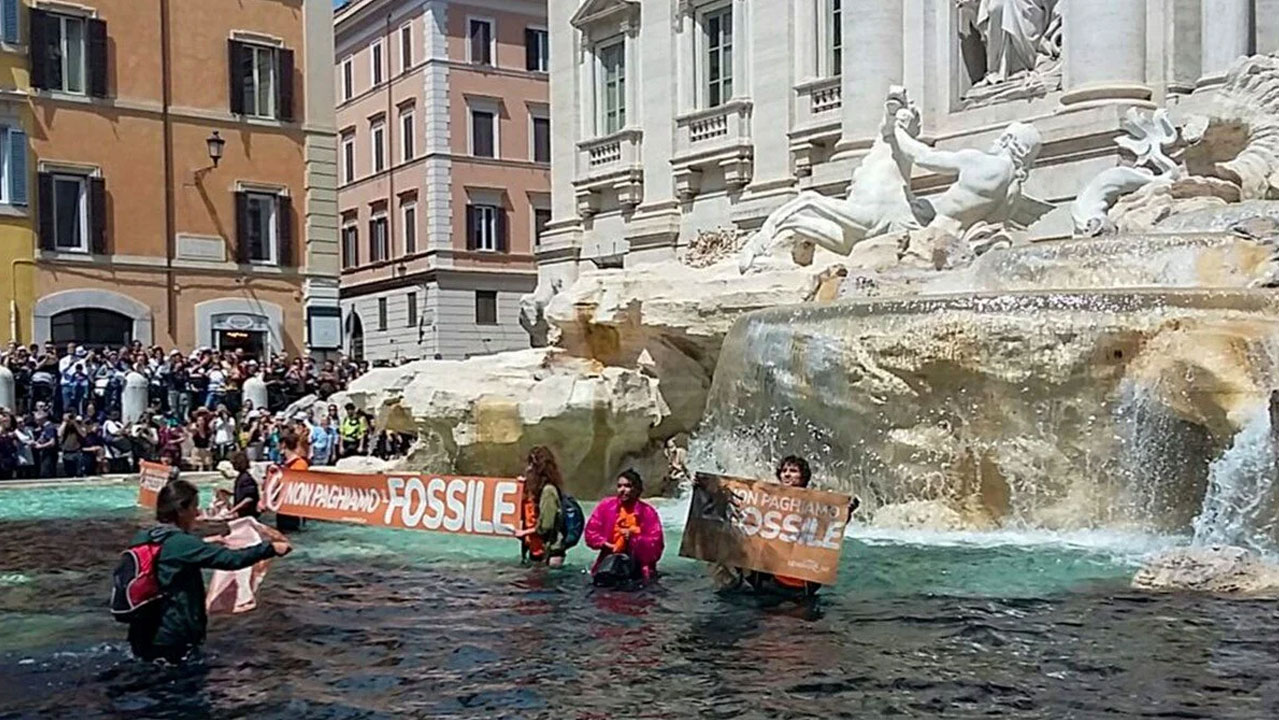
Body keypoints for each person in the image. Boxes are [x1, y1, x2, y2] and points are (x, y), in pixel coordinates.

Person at [125, 479, 291, 663]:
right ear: (180, 510)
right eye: (194, 507)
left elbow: (168, 556)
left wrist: (203, 543)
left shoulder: (144, 536)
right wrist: (270, 548)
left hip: (142, 631)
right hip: (174, 637)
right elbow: (231, 560)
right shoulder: (183, 543)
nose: (197, 513)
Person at [584, 469, 664, 588]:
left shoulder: (648, 512)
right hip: (608, 564)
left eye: (627, 486)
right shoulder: (606, 506)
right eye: (619, 486)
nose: (622, 490)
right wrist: (605, 543)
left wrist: (634, 539)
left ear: (637, 489)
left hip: (638, 570)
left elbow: (656, 546)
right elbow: (591, 532)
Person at [514, 446, 566, 567]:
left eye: (531, 465)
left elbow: (546, 525)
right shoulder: (537, 489)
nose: (528, 468)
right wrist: (522, 486)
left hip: (550, 552)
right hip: (537, 549)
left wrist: (524, 532)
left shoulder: (548, 491)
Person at [275, 431, 308, 532]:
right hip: (283, 506)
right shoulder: (284, 465)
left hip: (293, 507)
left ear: (283, 445)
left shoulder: (299, 464)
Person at [227, 451, 261, 519]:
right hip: (242, 514)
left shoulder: (246, 479)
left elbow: (249, 499)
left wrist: (232, 511)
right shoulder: (241, 477)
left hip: (248, 515)